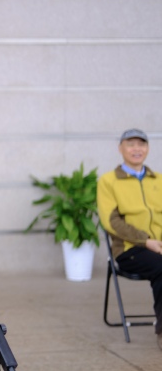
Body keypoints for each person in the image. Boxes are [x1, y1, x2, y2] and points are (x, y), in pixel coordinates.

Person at [97, 128, 162, 350]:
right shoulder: (108, 181)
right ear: (121, 148)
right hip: (129, 249)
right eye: (131, 144)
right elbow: (111, 221)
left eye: (141, 144)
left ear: (148, 148)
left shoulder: (158, 179)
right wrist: (146, 241)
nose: (137, 149)